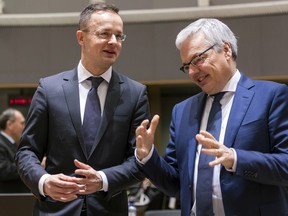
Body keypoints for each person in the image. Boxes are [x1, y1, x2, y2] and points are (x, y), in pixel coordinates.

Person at [135, 18, 288, 216]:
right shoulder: (182, 111)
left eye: (198, 59)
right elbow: (175, 184)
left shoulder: (271, 97)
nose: (191, 72)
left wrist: (235, 158)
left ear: (225, 50)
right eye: (186, 66)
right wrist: (148, 156)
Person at [15, 2, 150, 216]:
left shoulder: (135, 93)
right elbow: (26, 152)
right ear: (81, 37)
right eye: (104, 34)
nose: (113, 42)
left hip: (109, 210)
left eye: (119, 36)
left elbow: (139, 161)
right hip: (55, 210)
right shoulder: (49, 89)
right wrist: (44, 181)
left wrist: (103, 180)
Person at [0, 108, 30, 193]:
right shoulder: (1, 143)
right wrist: (30, 165)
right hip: (8, 200)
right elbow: (3, 170)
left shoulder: (11, 143)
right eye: (22, 123)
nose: (24, 127)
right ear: (9, 124)